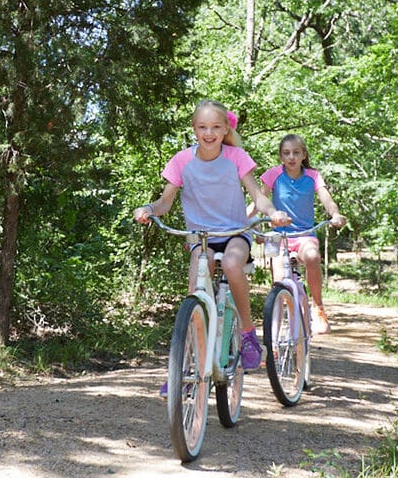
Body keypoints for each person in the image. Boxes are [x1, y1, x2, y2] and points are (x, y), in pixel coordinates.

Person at [133, 100, 290, 372]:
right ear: (194, 129)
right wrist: (148, 209)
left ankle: (248, 335)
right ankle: (184, 367)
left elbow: (257, 197)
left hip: (234, 233)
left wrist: (274, 212)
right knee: (194, 293)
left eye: (216, 127)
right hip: (201, 237)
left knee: (231, 264)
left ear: (225, 129)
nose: (209, 133)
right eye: (203, 127)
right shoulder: (181, 161)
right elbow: (165, 203)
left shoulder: (236, 157)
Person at [259, 133, 346, 334]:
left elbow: (326, 198)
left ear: (303, 155)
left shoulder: (312, 176)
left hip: (305, 234)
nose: (291, 157)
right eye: (286, 153)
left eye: (296, 153)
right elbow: (258, 201)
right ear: (281, 156)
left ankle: (318, 308)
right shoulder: (273, 175)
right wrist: (245, 220)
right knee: (279, 283)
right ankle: (276, 332)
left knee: (313, 257)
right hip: (279, 237)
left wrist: (335, 214)